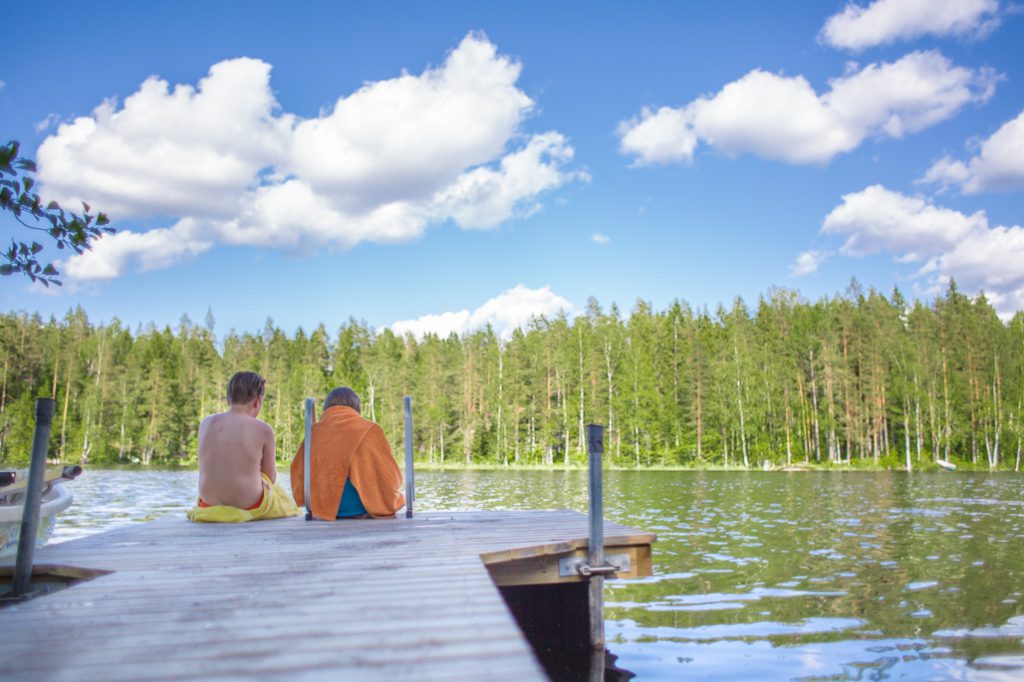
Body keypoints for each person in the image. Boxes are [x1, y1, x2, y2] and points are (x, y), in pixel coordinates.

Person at [187, 371, 299, 523]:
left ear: (229, 398)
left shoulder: (206, 423)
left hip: (209, 502)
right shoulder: (263, 429)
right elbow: (270, 477)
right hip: (249, 503)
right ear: (257, 401)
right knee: (280, 496)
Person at [291, 387, 405, 521]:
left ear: (326, 408)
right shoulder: (370, 429)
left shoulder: (314, 432)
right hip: (362, 508)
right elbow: (390, 476)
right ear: (357, 408)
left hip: (322, 508)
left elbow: (298, 473)